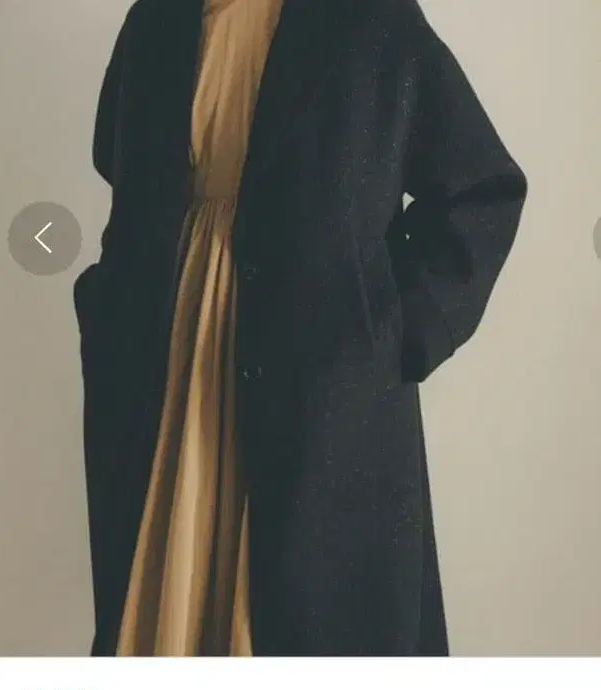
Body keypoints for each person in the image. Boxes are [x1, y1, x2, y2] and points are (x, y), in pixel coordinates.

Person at [74, 0, 527, 656]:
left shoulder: (369, 18)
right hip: (169, 354)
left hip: (323, 370)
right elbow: (120, 166)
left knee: (312, 609)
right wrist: (107, 308)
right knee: (164, 592)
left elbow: (480, 188)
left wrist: (389, 330)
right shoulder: (157, 18)